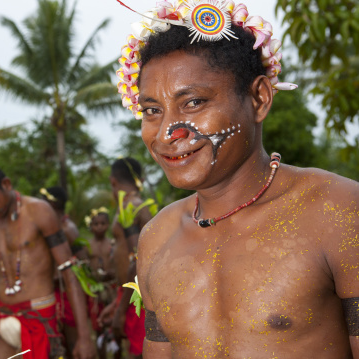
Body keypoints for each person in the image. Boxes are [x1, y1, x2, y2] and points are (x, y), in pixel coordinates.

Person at [115, 1, 359, 358]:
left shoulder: (337, 211)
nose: (167, 132)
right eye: (152, 110)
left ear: (259, 98)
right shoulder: (157, 237)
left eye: (194, 102)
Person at [0, 153, 95, 359]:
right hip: (1, 316)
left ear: (6, 184)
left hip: (38, 318)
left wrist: (84, 335)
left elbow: (70, 273)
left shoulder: (39, 212)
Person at [99, 157, 153, 359]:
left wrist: (121, 310)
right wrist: (118, 303)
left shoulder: (131, 208)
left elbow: (138, 260)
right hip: (133, 294)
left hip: (138, 298)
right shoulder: (136, 205)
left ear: (113, 181)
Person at [39, 186, 82, 358]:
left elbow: (82, 261)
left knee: (72, 341)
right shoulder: (44, 227)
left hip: (68, 293)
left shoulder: (68, 229)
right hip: (49, 293)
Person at [84, 207, 115, 359]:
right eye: (96, 224)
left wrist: (112, 273)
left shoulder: (112, 243)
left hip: (111, 289)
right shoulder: (88, 246)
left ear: (108, 225)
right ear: (91, 226)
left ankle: (117, 353)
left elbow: (118, 265)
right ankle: (101, 354)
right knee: (98, 326)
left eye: (103, 223)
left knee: (114, 324)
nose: (100, 227)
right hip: (96, 291)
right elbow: (85, 267)